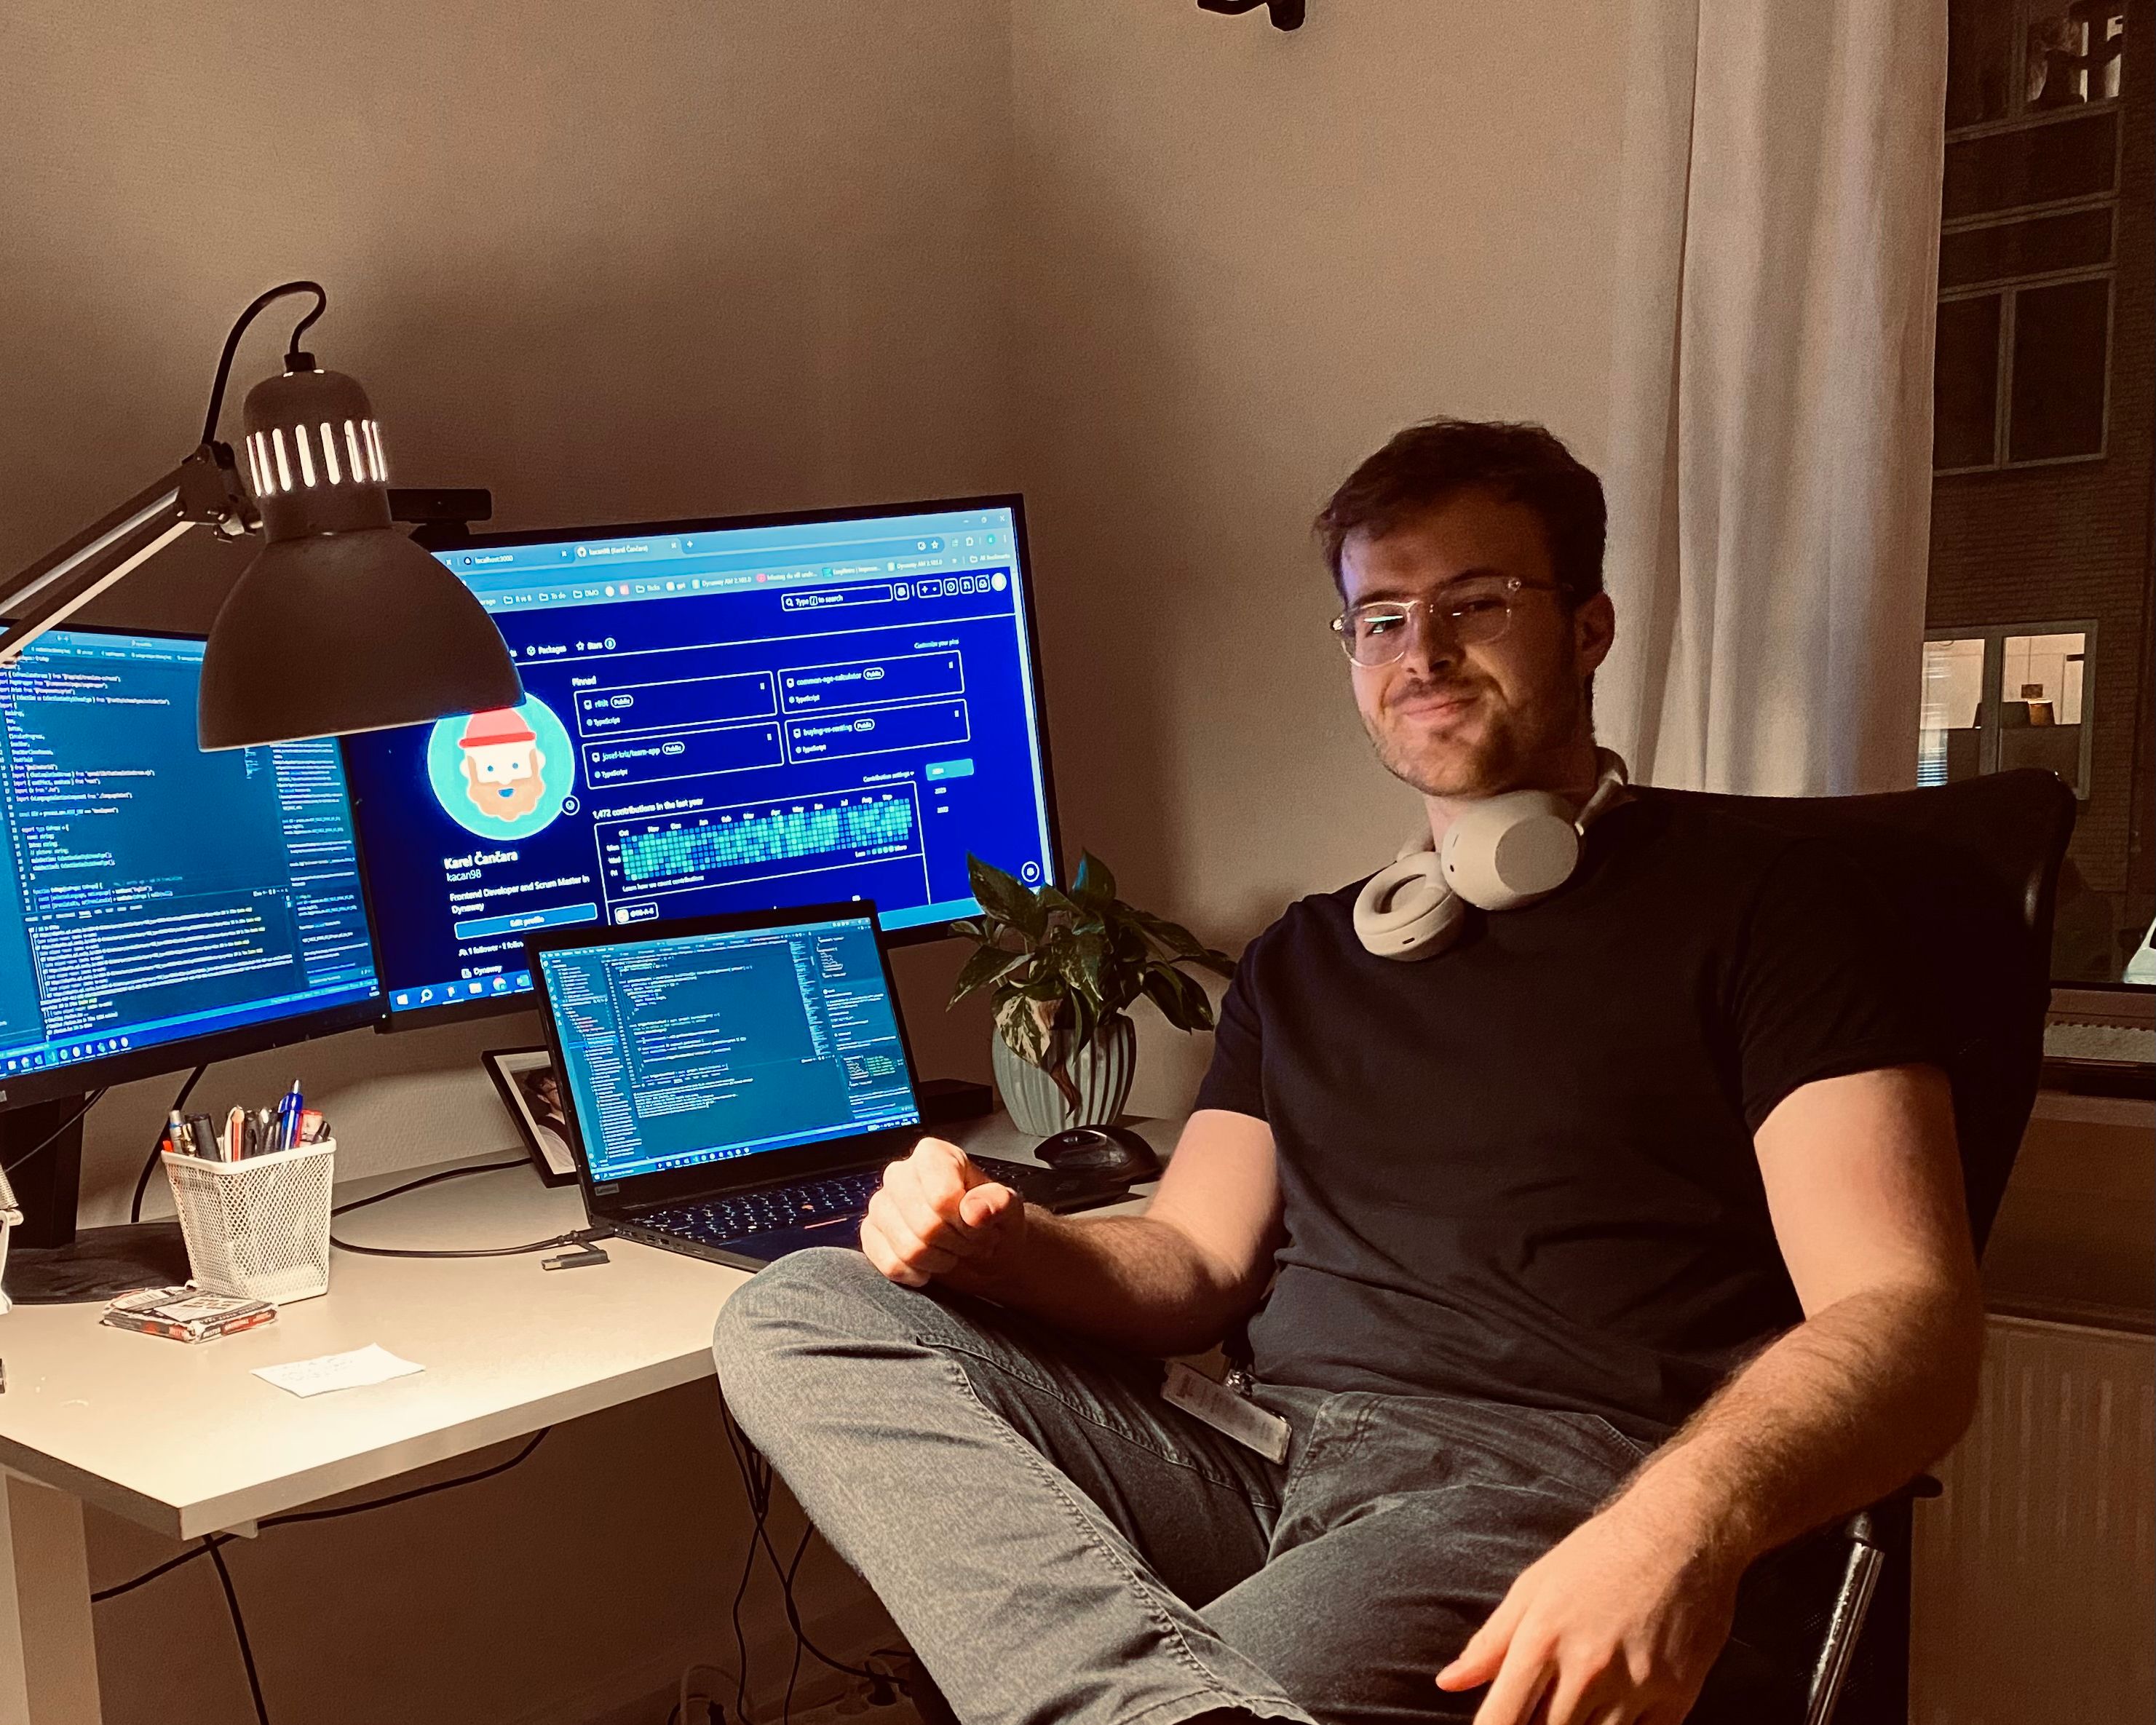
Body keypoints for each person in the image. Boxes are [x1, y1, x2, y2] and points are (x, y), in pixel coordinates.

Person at [712, 419, 1983, 1725]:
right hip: (1265, 1456)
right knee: (802, 1308)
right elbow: (1187, 1262)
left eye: (1474, 603)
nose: (1420, 653)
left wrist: (1675, 1523)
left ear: (1588, 627)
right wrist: (1006, 1245)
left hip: (1553, 1491)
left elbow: (1903, 1313)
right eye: (1380, 619)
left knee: (1250, 1665)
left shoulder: (1773, 909)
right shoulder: (1307, 955)